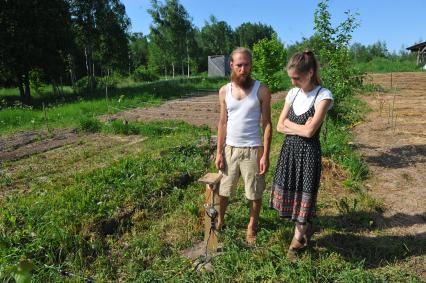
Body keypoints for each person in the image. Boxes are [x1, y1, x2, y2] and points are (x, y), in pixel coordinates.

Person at [269, 51, 333, 261]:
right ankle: (305, 229)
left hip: (308, 154)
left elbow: (310, 132)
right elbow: (279, 125)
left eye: (297, 78)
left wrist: (291, 125)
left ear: (311, 72)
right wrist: (298, 126)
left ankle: (295, 244)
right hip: (290, 151)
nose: (293, 81)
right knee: (291, 192)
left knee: (305, 194)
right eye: (291, 78)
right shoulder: (293, 94)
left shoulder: (323, 96)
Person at [215, 47, 272, 245]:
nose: (243, 68)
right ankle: (220, 221)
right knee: (223, 190)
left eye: (246, 64)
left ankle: (251, 227)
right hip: (230, 149)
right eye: (239, 65)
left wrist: (265, 154)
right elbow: (223, 123)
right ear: (231, 65)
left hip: (253, 150)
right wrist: (219, 152)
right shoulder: (224, 91)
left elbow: (267, 124)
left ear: (251, 65)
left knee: (254, 193)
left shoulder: (261, 90)